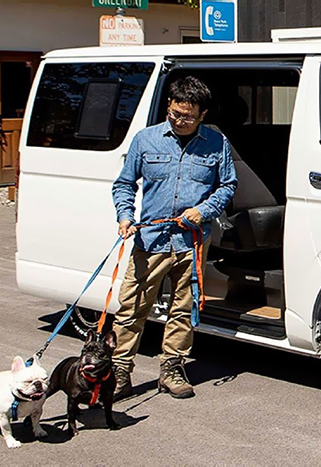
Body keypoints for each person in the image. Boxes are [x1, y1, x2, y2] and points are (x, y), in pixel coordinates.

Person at [110, 76, 237, 400]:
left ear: (203, 114)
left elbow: (227, 185)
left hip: (191, 242)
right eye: (175, 113)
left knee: (183, 308)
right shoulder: (146, 139)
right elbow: (124, 184)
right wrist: (125, 216)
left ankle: (171, 369)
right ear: (168, 106)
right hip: (150, 239)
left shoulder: (216, 143)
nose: (180, 121)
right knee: (131, 308)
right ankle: (120, 372)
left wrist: (204, 210)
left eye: (188, 117)